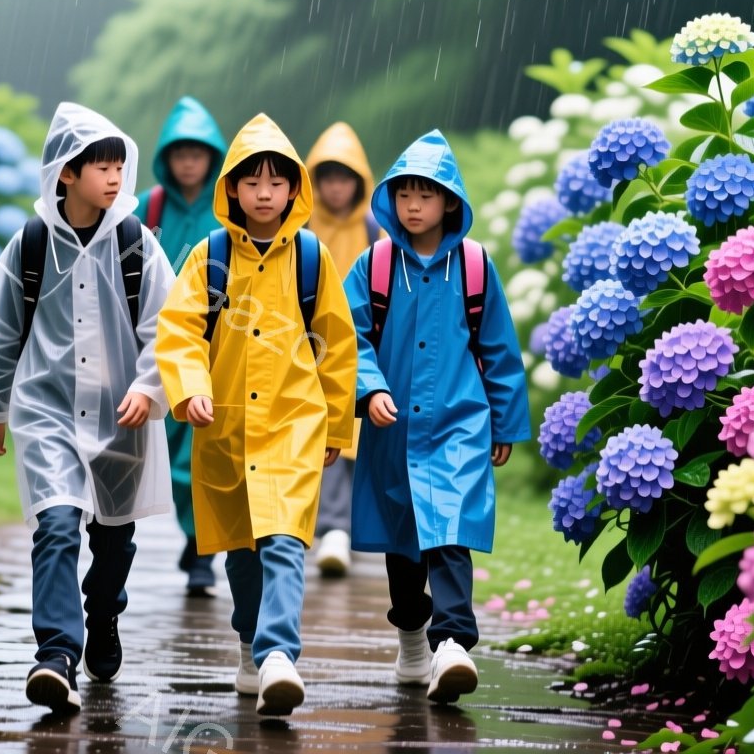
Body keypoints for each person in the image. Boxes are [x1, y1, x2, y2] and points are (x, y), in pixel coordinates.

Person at [0, 102, 175, 714]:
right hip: (47, 409)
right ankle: (55, 655)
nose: (114, 178)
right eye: (100, 167)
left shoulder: (136, 244)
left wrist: (148, 387)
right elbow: (1, 328)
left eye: (118, 165)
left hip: (122, 413)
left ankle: (102, 612)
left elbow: (168, 327)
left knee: (114, 539)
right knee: (56, 526)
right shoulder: (31, 244)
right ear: (65, 173)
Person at [155, 113, 358, 717]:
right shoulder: (209, 255)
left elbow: (337, 345)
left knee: (286, 541)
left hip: (294, 422)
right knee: (241, 550)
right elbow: (180, 329)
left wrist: (339, 429)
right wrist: (189, 388)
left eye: (277, 181)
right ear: (233, 190)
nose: (265, 193)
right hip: (223, 428)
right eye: (252, 182)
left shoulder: (312, 258)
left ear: (296, 189)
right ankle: (250, 642)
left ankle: (277, 656)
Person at [342, 130, 529, 705]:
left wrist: (504, 421)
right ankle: (412, 631)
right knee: (404, 543)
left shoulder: (474, 267)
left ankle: (453, 643)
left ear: (450, 200)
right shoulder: (375, 265)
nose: (414, 206)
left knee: (449, 530)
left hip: (458, 422)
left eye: (427, 194)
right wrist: (369, 390)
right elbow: (349, 336)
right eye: (404, 195)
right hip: (391, 427)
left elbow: (498, 348)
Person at [136, 96, 228, 597]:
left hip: (215, 347)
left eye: (198, 152)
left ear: (212, 157)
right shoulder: (148, 208)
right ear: (167, 158)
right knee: (167, 449)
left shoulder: (227, 205)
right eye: (180, 152)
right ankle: (192, 534)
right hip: (157, 348)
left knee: (200, 449)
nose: (189, 162)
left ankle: (200, 549)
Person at [303, 121, 378, 577]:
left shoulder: (373, 228)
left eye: (343, 178)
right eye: (327, 178)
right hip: (308, 346)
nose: (335, 187)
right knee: (324, 436)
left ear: (358, 182)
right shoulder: (303, 223)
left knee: (351, 436)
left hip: (359, 346)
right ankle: (331, 528)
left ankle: (337, 528)